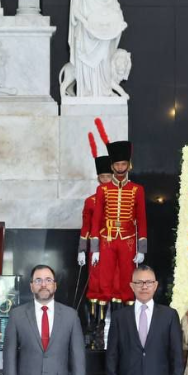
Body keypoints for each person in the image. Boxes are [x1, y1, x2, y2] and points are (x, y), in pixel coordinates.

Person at [90, 130, 147, 306]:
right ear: (112, 166)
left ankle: (127, 315)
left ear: (129, 165)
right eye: (117, 164)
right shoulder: (103, 190)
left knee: (127, 279)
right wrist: (95, 248)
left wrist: (142, 248)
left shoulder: (137, 189)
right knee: (105, 278)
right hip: (107, 238)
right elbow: (96, 218)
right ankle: (103, 321)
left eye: (124, 164)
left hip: (128, 239)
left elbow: (142, 219)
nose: (120, 167)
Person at [67, 0, 128, 97]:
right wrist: (86, 22)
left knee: (105, 59)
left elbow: (114, 4)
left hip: (104, 29)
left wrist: (120, 20)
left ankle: (104, 91)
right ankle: (87, 92)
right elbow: (75, 9)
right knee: (85, 60)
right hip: (86, 28)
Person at [78, 132, 113, 333]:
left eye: (109, 176)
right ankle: (95, 324)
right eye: (103, 176)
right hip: (96, 248)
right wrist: (82, 250)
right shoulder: (91, 201)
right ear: (98, 178)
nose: (106, 179)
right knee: (96, 286)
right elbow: (86, 227)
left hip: (118, 248)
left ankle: (113, 322)